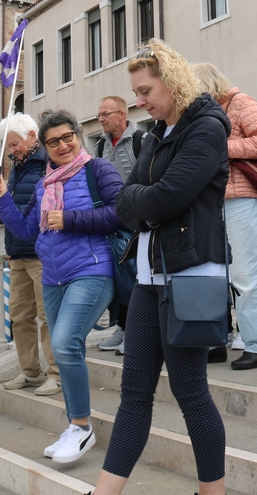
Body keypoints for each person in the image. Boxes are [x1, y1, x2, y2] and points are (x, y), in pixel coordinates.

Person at [94, 41, 231, 495]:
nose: (140, 100)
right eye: (135, 92)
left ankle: (213, 491)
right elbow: (126, 201)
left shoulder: (207, 127)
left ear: (173, 82)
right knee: (134, 393)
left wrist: (146, 201)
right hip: (150, 277)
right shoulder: (153, 135)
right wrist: (146, 202)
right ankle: (105, 491)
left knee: (191, 393)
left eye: (146, 89)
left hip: (191, 273)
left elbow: (165, 198)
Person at [0, 110, 121, 464]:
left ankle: (81, 426)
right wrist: (3, 199)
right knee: (68, 349)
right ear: (45, 146)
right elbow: (25, 230)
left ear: (78, 136)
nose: (62, 145)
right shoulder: (44, 183)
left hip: (92, 270)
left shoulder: (98, 170)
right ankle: (75, 425)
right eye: (54, 141)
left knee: (64, 342)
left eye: (68, 137)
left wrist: (70, 219)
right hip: (54, 276)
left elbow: (122, 212)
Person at [192, 62, 257, 369]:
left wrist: (220, 147)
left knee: (244, 276)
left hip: (243, 199)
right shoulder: (204, 113)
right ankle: (215, 342)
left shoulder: (241, 102)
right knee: (212, 275)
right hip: (212, 202)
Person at [0, 113, 61, 396]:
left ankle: (57, 374)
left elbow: (41, 208)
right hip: (17, 251)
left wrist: (6, 204)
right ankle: (31, 371)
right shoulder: (18, 166)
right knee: (20, 316)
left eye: (15, 143)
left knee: (48, 316)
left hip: (41, 252)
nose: (12, 150)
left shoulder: (47, 163)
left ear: (33, 136)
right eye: (8, 146)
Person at [94, 95, 143, 355]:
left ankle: (134, 333)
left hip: (136, 223)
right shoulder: (99, 147)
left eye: (106, 114)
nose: (100, 119)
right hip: (111, 224)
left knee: (136, 279)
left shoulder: (141, 141)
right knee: (120, 280)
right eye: (100, 115)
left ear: (121, 114)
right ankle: (123, 328)